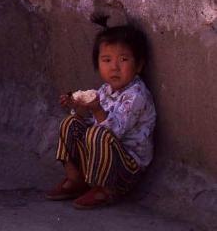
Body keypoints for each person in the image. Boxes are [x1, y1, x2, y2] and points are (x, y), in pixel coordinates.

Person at [45, 16, 156, 209]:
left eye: (123, 59)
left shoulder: (137, 96)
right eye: (107, 60)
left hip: (126, 167)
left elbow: (114, 132)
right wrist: (77, 104)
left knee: (99, 133)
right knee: (70, 123)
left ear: (138, 65)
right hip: (100, 159)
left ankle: (106, 189)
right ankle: (76, 179)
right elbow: (89, 120)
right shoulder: (105, 90)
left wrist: (96, 108)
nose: (114, 67)